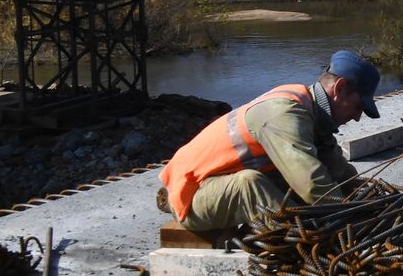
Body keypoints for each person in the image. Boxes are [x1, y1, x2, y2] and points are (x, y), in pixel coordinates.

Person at [158, 50, 381, 232]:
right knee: (249, 184)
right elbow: (312, 183)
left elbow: (335, 168)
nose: (357, 116)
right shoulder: (283, 113)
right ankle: (304, 244)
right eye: (358, 107)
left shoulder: (311, 114)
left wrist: (367, 195)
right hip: (191, 196)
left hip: (216, 184)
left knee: (295, 187)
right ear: (339, 88)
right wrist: (353, 222)